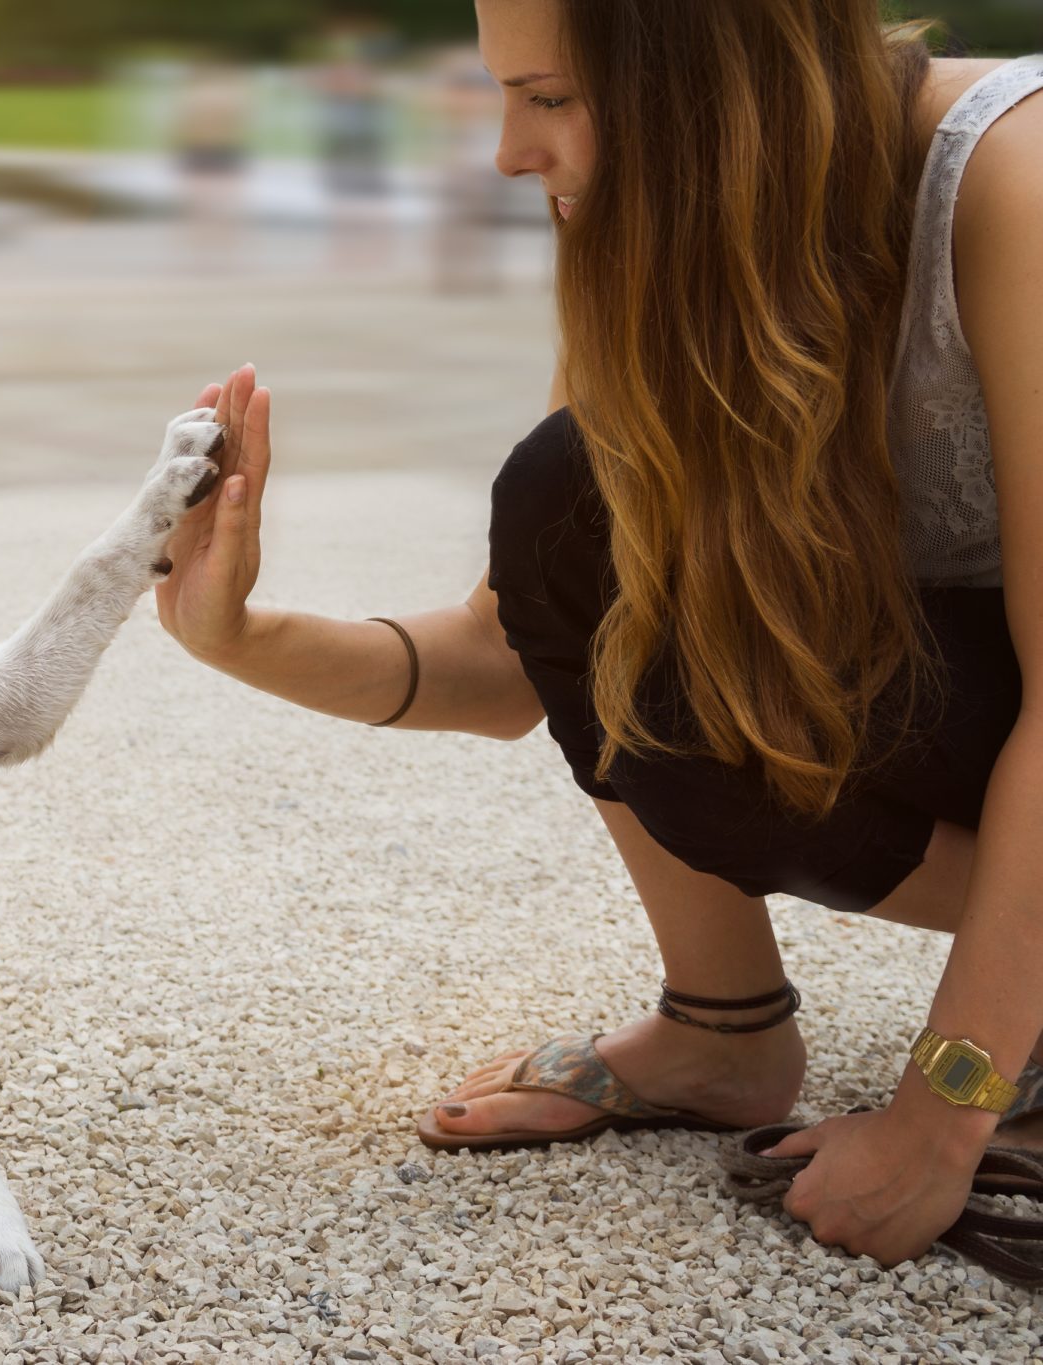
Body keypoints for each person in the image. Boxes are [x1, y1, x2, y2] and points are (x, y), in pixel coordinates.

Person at [158, 0, 1043, 1270]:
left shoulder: (1009, 173)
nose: (507, 154)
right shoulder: (681, 231)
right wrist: (236, 636)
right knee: (571, 502)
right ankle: (722, 1030)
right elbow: (514, 658)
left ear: (713, 78)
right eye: (502, 95)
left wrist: (937, 1115)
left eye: (549, 98)